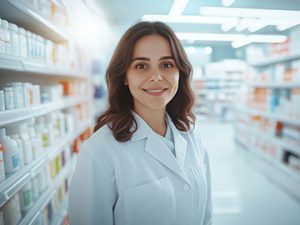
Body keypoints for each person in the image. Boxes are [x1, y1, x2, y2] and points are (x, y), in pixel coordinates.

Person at [69, 21, 212, 225]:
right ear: (124, 77)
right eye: (141, 66)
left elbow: (206, 215)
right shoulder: (99, 151)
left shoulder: (191, 134)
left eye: (167, 65)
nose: (156, 76)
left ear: (180, 72)